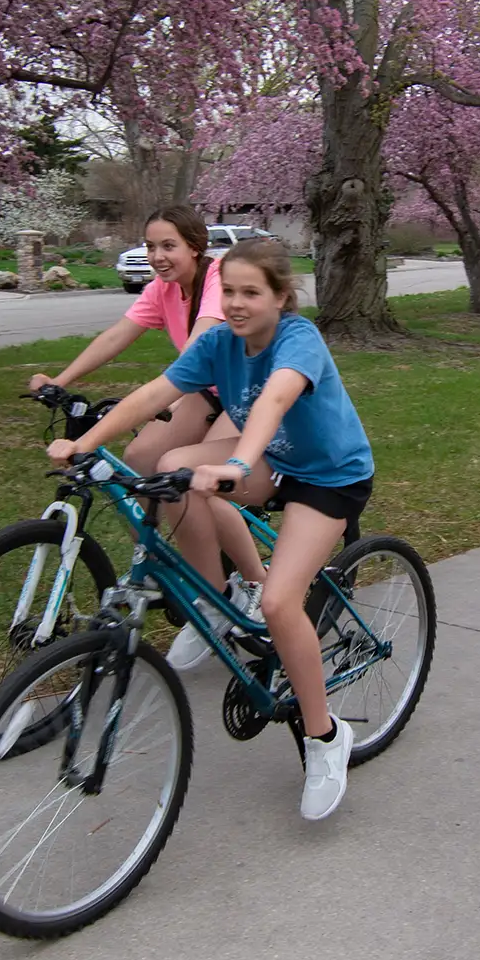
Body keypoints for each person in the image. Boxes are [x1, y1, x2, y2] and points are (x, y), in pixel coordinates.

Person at [47, 237, 374, 821]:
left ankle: (325, 739)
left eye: (252, 292)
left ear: (280, 297)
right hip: (271, 459)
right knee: (172, 469)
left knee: (280, 603)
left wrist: (237, 465)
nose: (239, 303)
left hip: (327, 475)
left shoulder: (300, 339)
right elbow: (153, 395)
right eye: (230, 292)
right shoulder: (220, 342)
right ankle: (219, 596)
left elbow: (275, 399)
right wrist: (83, 443)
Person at [29, 205, 237, 476]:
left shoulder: (218, 279)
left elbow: (197, 348)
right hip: (207, 391)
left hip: (246, 391)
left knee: (200, 474)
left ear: (194, 247)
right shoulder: (162, 288)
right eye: (151, 247)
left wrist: (166, 398)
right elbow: (116, 336)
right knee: (139, 457)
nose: (157, 256)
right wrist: (59, 381)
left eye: (169, 246)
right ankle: (156, 519)